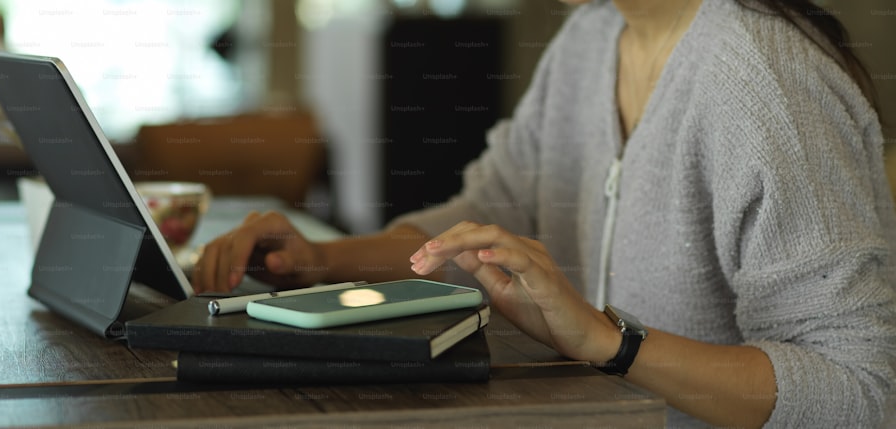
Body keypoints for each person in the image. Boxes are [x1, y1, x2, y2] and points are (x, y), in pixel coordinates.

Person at [193, 0, 896, 427]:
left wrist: (608, 341)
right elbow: (494, 208)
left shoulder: (769, 85)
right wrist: (325, 258)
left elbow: (859, 393)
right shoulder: (591, 38)